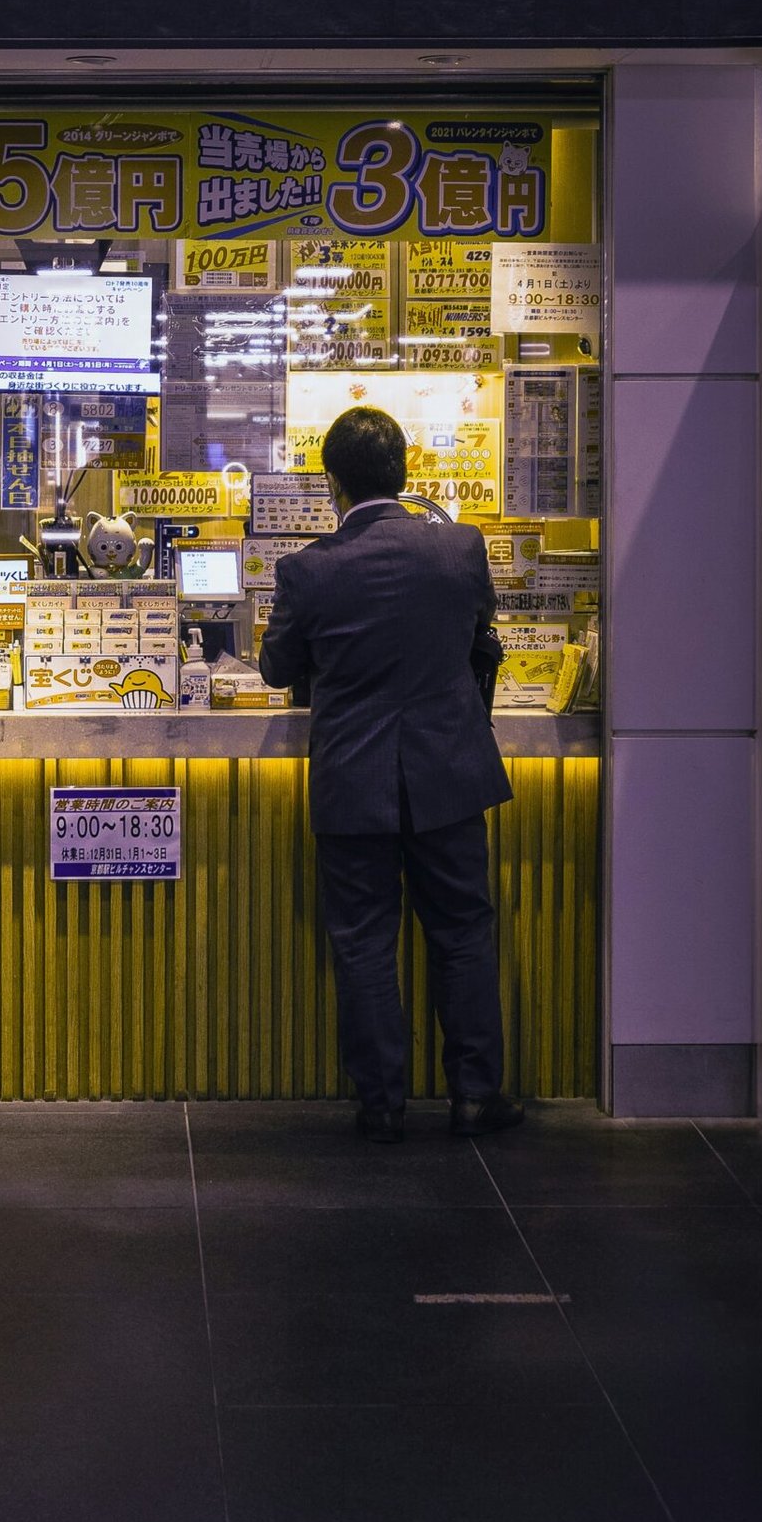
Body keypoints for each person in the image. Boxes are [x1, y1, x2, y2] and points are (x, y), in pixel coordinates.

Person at [257, 407, 524, 1145]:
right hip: (449, 772)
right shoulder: (460, 549)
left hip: (353, 778)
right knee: (463, 932)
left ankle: (381, 1104)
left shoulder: (308, 568)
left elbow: (277, 667)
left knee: (364, 941)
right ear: (404, 472)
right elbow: (478, 637)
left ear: (332, 483)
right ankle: (475, 1095)